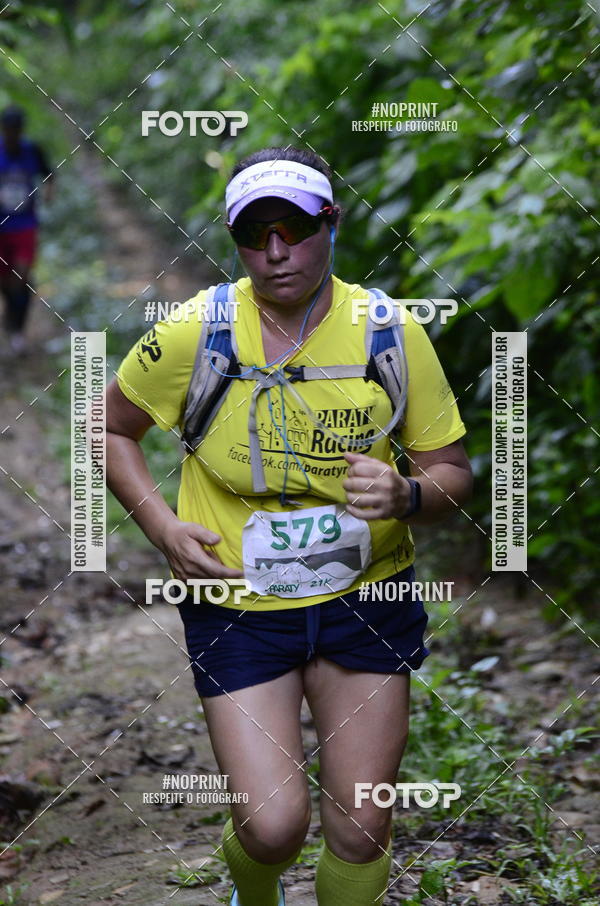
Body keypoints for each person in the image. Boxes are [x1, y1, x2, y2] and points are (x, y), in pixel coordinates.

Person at [106, 147, 472, 906]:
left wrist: (407, 494)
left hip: (366, 599)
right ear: (235, 242)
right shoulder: (196, 330)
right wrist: (164, 529)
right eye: (254, 233)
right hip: (239, 606)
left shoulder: (389, 332)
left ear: (331, 225)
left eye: (295, 229)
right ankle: (255, 890)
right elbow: (109, 428)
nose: (276, 251)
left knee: (362, 827)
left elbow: (452, 472)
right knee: (273, 829)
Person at [0, 105, 53, 355]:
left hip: (25, 225)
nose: (13, 134)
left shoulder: (32, 151)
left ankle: (18, 329)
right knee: (5, 280)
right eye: (9, 129)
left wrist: (50, 193)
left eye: (16, 129)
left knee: (21, 275)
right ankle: (11, 318)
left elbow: (50, 174)